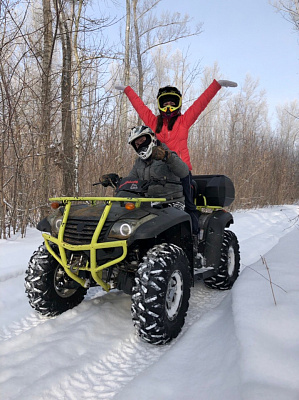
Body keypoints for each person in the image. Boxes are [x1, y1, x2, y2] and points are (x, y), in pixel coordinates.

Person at [115, 79, 237, 233]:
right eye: (165, 104)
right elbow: (140, 108)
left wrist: (216, 85)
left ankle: (194, 237)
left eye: (172, 103)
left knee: (188, 206)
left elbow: (200, 104)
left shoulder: (183, 122)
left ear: (178, 104)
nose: (168, 107)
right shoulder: (154, 123)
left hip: (181, 172)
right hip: (158, 171)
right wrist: (128, 90)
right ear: (160, 105)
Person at [103, 125, 189, 209]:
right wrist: (117, 182)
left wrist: (167, 157)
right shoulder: (139, 163)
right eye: (136, 144)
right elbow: (131, 181)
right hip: (149, 203)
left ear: (151, 138)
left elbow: (184, 172)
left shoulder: (168, 154)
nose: (140, 145)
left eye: (142, 140)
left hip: (171, 201)